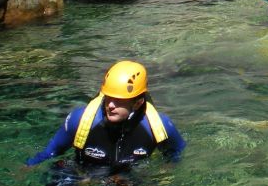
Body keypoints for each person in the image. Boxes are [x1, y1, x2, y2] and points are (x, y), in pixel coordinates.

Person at [26, 61, 186, 170]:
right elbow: (51, 152)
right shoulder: (80, 119)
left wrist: (165, 172)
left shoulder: (159, 126)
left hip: (127, 178)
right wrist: (28, 166)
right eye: (108, 98)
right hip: (83, 170)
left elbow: (176, 153)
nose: (110, 105)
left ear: (137, 103)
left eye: (118, 101)